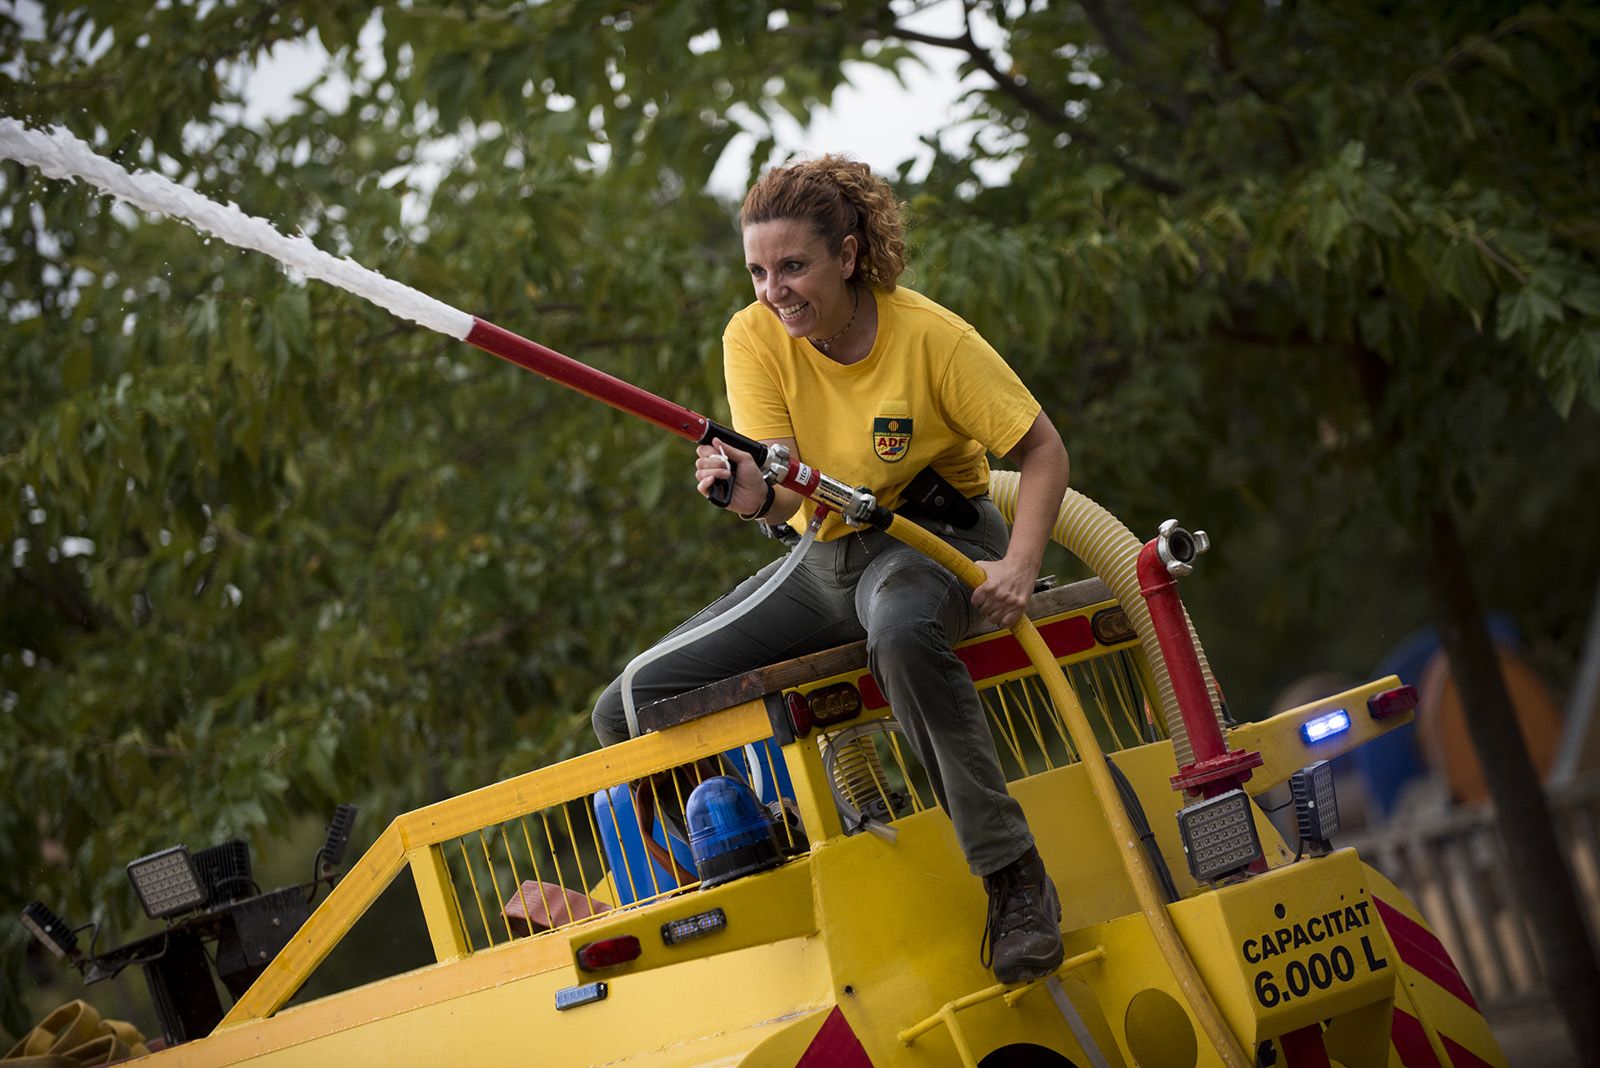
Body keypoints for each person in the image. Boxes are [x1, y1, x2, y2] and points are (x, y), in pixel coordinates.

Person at [591, 155, 1072, 984]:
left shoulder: (931, 338)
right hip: (826, 555)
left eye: (792, 267)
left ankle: (1013, 876)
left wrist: (1020, 565)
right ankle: (759, 840)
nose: (773, 290)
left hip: (931, 545)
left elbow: (1042, 450)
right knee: (628, 704)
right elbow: (783, 500)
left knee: (899, 626)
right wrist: (739, 492)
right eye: (757, 271)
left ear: (847, 257)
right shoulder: (752, 336)